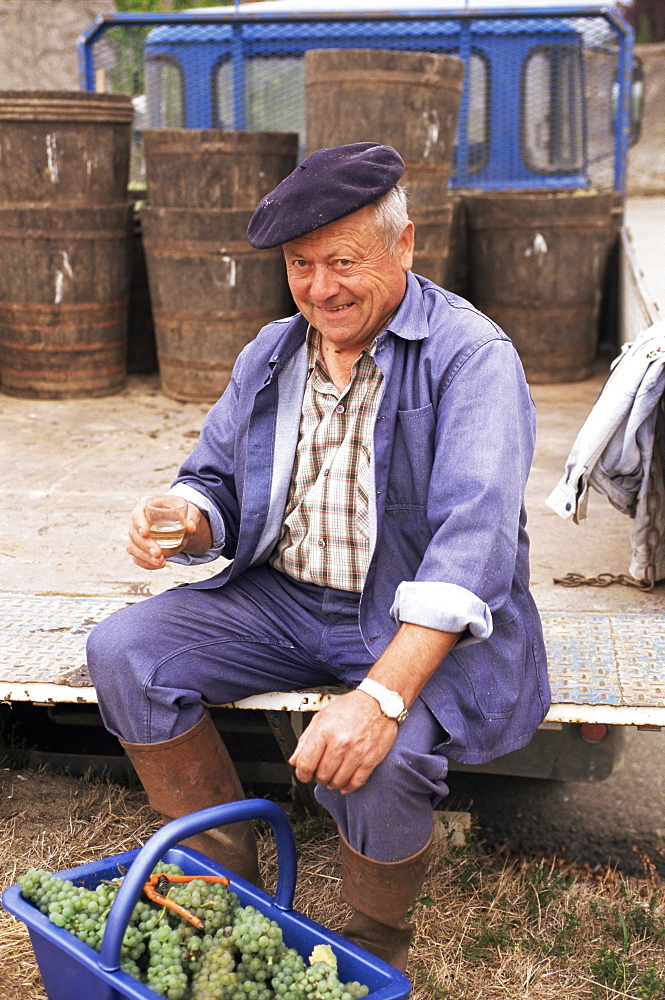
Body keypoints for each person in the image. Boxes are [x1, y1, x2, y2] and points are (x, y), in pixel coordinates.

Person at [87, 141, 549, 973]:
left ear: (404, 247)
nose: (320, 288)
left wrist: (377, 698)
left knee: (381, 757)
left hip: (406, 610)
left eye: (343, 260)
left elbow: (471, 546)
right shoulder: (272, 351)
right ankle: (223, 892)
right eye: (301, 264)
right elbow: (215, 480)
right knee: (124, 651)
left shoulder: (471, 357)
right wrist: (185, 518)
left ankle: (373, 947)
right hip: (285, 597)